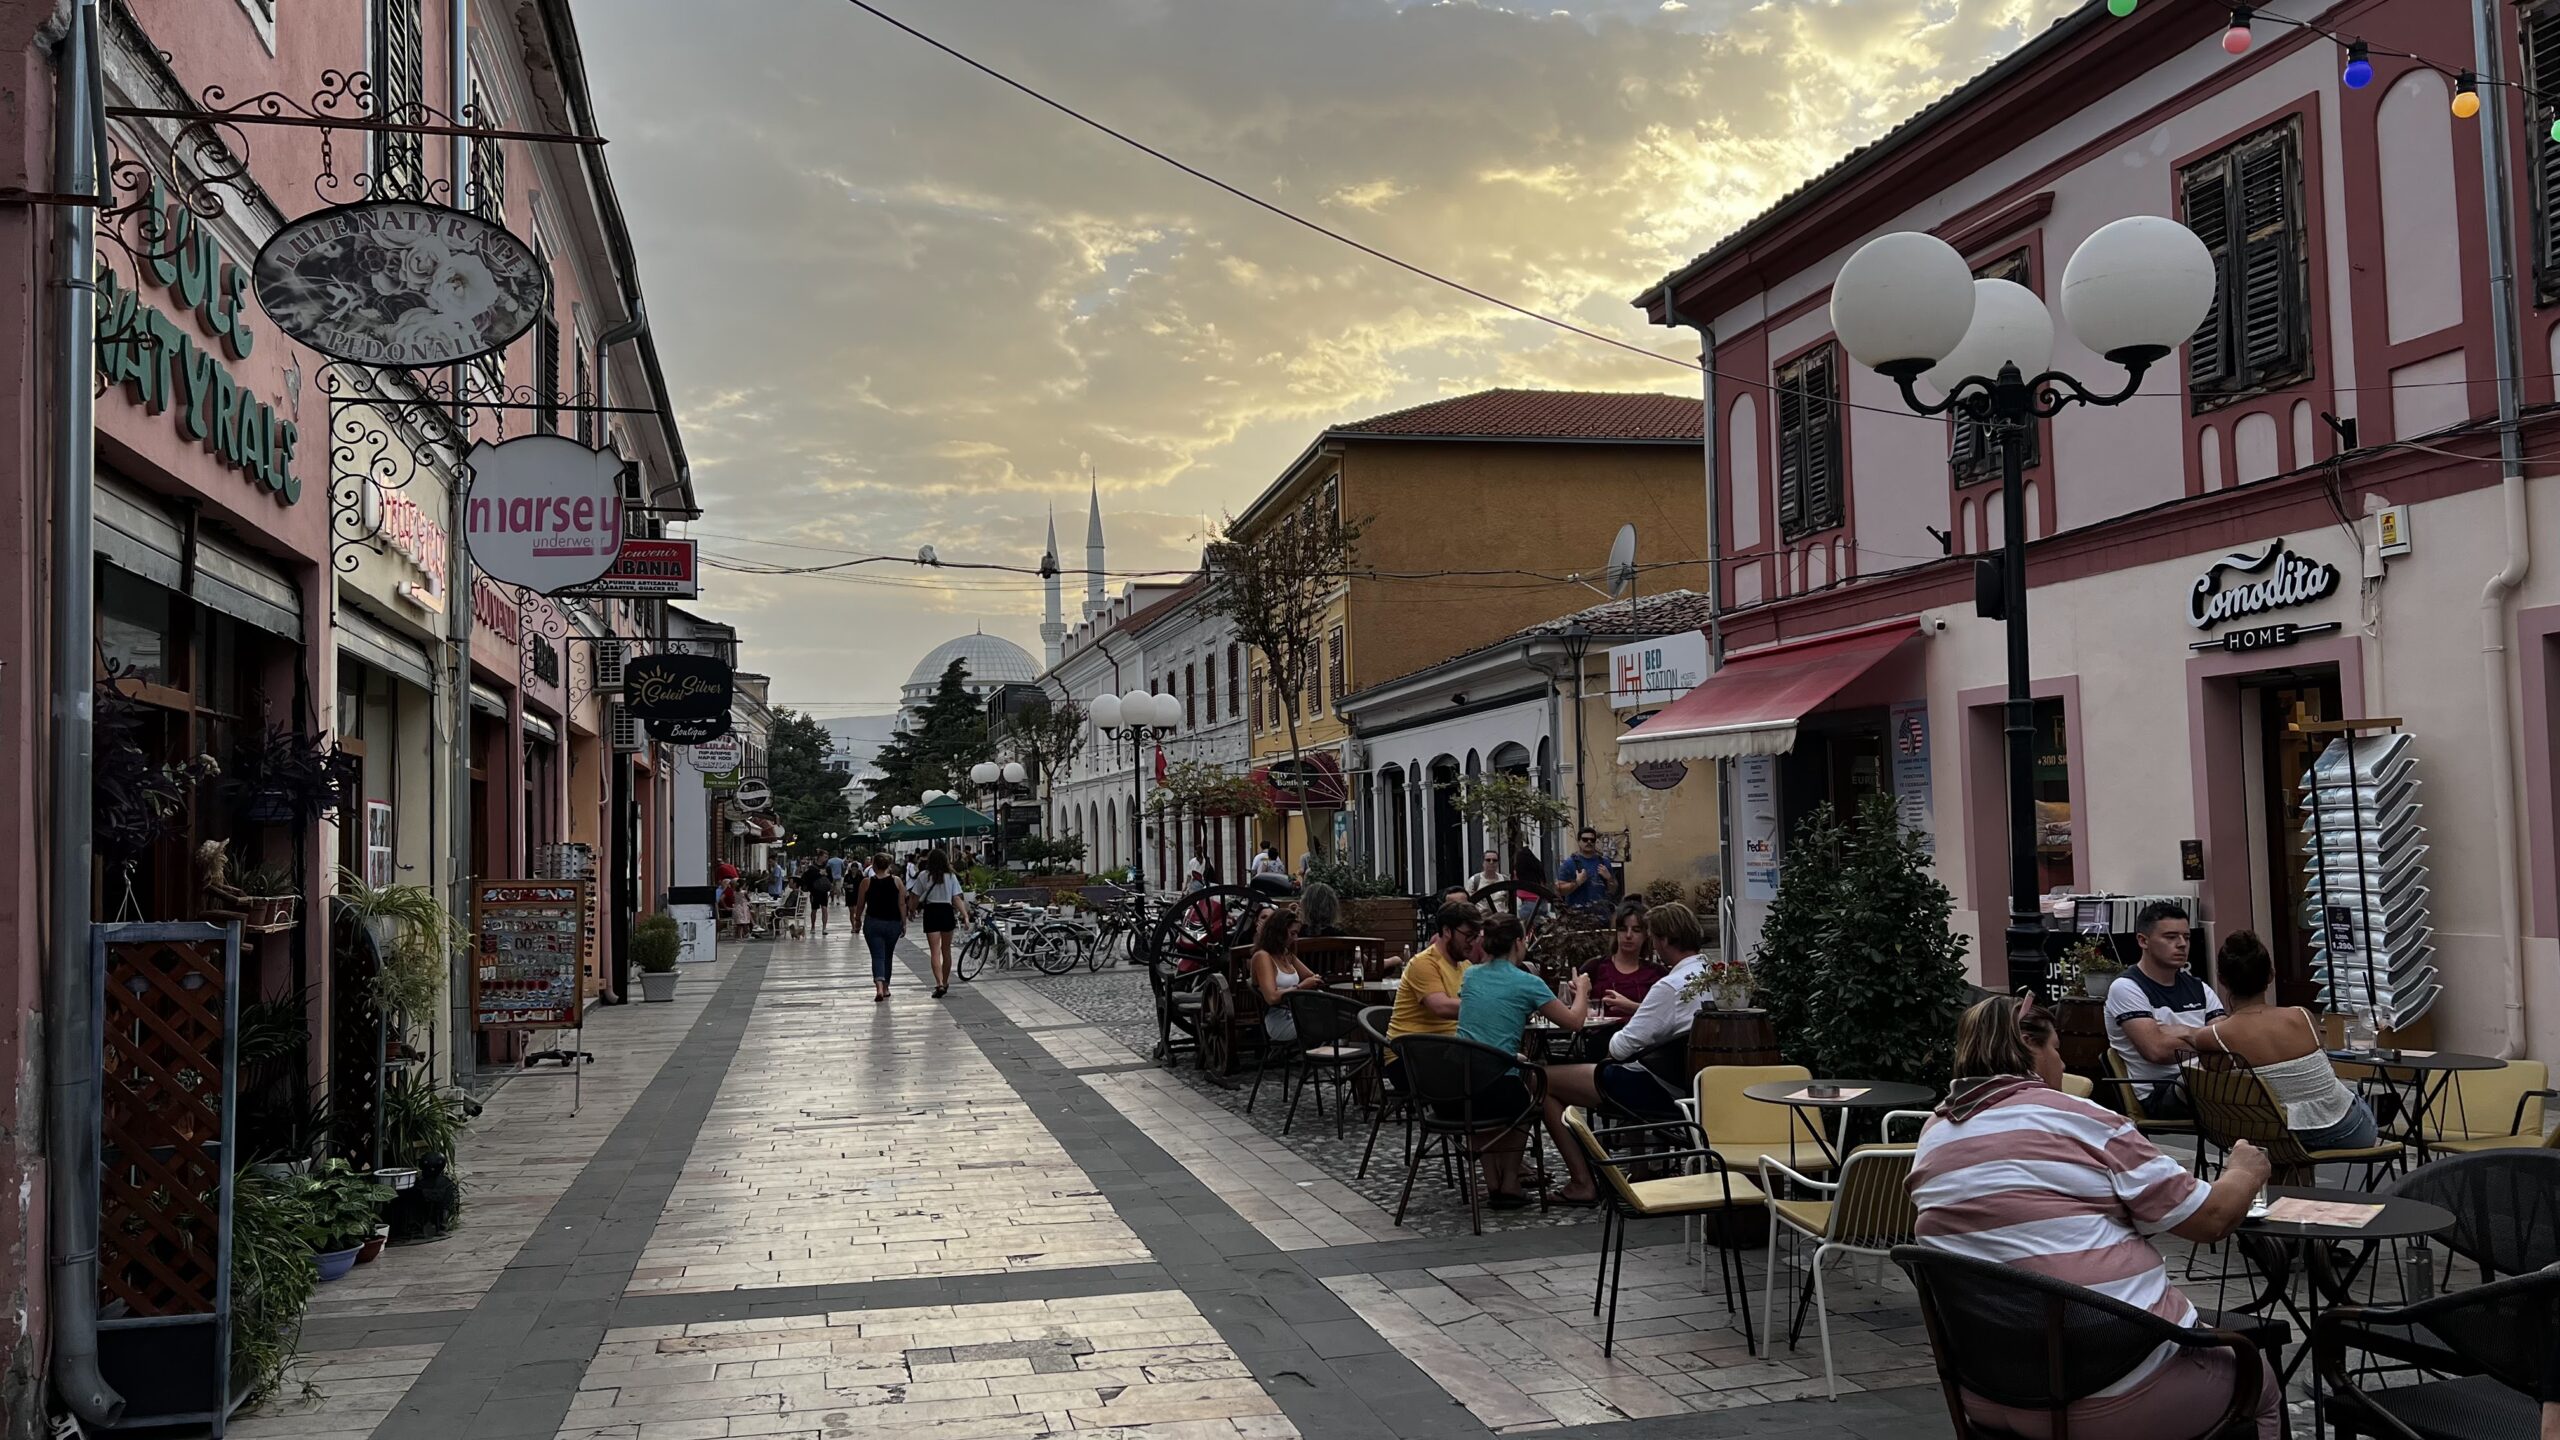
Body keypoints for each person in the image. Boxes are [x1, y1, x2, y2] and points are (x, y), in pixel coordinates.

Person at [1910, 993, 2279, 1440]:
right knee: (2261, 1383)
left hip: (1990, 1390)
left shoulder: (1934, 1136)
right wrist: (2244, 1170)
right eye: (2056, 1050)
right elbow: (2211, 1219)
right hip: (2114, 1388)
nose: (2061, 1067)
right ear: (2029, 1046)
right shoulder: (2080, 1119)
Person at [1541, 902, 1712, 1204]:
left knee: (1543, 1081)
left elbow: (1619, 1048)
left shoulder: (1669, 986)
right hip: (1700, 1084)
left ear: (1660, 940)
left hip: (1662, 1087)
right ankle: (1639, 1170)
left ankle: (1583, 1182)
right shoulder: (1715, 975)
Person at [2177, 931, 2379, 1150]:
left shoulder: (2216, 1035)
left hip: (2275, 1136)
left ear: (2221, 979)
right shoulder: (2302, 1016)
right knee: (2349, 1094)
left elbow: (2191, 1040)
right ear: (2271, 975)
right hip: (2346, 1131)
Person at [1451, 915, 1590, 1208]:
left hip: (1457, 1084)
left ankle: (1493, 1183)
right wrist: (1583, 992)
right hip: (1499, 1086)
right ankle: (1511, 1180)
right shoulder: (1528, 982)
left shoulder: (1471, 975)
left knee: (1494, 1079)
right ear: (1519, 942)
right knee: (1529, 1092)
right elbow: (1574, 1022)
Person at [2104, 900, 2223, 1120]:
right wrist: (2206, 1039)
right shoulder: (2126, 988)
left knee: (2261, 1070)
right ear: (2143, 940)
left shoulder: (2199, 987)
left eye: (2186, 937)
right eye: (2171, 937)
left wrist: (2187, 1033)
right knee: (2238, 1085)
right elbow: (2157, 1051)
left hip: (2208, 1080)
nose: (2181, 944)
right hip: (2162, 1093)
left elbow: (2226, 1041)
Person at [1386, 900, 1483, 1084]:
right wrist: (1489, 1007)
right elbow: (1441, 1007)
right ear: (1447, 931)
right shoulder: (1424, 963)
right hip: (1408, 1057)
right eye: (1468, 935)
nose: (1473, 943)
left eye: (1476, 936)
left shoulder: (1465, 965)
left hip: (1444, 1051)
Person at [1250, 909, 1325, 1044]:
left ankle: (1333, 1059)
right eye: (1292, 933)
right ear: (1279, 932)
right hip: (1280, 1021)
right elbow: (1272, 997)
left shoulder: (1285, 954)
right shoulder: (1263, 957)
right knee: (1332, 1023)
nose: (1295, 938)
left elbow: (1312, 976)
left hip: (1298, 1014)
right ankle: (1328, 1059)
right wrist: (1301, 987)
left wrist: (1313, 981)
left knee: (1340, 1018)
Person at [1583, 901, 1667, 1020]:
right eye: (1622, 929)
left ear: (1646, 934)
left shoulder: (1657, 973)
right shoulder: (1594, 967)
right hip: (1601, 1035)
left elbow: (1666, 1014)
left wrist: (1632, 1007)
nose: (1628, 935)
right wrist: (1578, 996)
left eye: (1636, 930)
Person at [907, 848, 967, 998]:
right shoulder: (951, 877)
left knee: (934, 951)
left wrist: (911, 910)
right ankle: (945, 982)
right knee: (946, 951)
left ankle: (939, 983)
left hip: (931, 912)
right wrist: (965, 915)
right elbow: (956, 898)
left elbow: (914, 896)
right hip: (946, 911)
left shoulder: (923, 876)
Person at [856, 853, 906, 1002]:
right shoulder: (897, 882)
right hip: (893, 923)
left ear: (874, 866)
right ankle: (886, 987)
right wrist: (904, 923)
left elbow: (860, 904)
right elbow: (902, 904)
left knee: (877, 955)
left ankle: (878, 986)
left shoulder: (866, 882)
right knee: (888, 955)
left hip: (873, 923)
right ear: (889, 866)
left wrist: (857, 919)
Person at [1555, 829, 1619, 912]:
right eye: (1585, 839)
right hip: (1577, 916)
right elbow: (1559, 890)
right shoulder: (1569, 863)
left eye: (1592, 840)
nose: (1589, 842)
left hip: (1602, 916)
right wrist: (1577, 882)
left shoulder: (1604, 862)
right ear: (1578, 841)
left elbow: (1613, 890)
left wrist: (1609, 878)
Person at [799, 852, 834, 936]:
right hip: (814, 891)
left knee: (824, 908)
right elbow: (807, 878)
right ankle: (813, 926)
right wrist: (818, 874)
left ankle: (824, 927)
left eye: (827, 857)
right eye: (825, 857)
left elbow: (831, 879)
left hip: (824, 891)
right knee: (814, 909)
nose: (826, 859)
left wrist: (826, 875)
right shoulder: (812, 868)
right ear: (820, 857)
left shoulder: (827, 868)